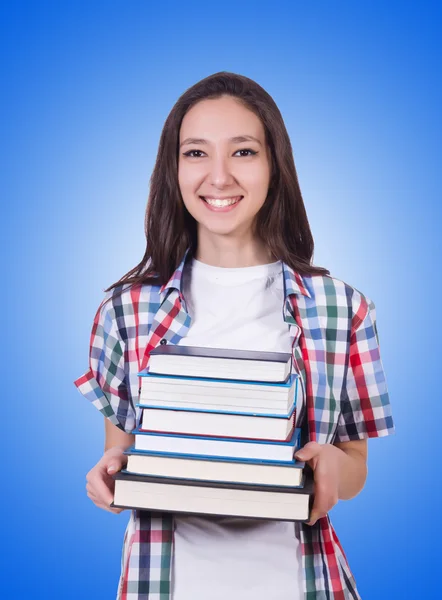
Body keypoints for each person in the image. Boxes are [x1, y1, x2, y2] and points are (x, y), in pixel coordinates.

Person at [74, 71, 394, 600]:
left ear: (274, 166)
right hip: (166, 583)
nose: (218, 177)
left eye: (243, 152)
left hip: (301, 582)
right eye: (196, 153)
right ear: (173, 169)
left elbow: (355, 467)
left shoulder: (341, 309)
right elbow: (123, 454)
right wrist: (108, 476)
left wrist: (334, 467)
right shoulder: (125, 310)